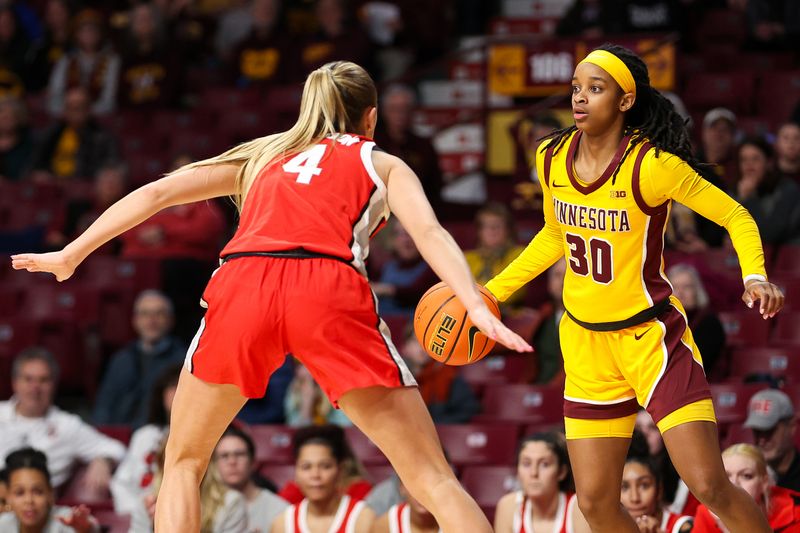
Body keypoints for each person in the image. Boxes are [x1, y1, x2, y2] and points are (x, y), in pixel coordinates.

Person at [11, 60, 530, 533]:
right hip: (326, 285)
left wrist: (73, 253)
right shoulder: (380, 162)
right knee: (432, 479)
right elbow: (432, 234)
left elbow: (157, 193)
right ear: (370, 118)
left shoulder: (263, 154)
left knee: (185, 462)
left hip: (245, 283)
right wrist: (474, 301)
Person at [484, 44, 784, 533]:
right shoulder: (551, 156)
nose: (580, 98)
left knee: (709, 485)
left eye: (595, 89)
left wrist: (754, 274)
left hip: (651, 341)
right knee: (595, 505)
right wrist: (493, 292)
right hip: (585, 346)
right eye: (577, 87)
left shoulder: (652, 165)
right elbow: (555, 233)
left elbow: (735, 214)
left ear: (625, 101)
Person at [0, 348, 126, 494]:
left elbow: (117, 449)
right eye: (28, 379)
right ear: (15, 383)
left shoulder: (67, 425)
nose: (35, 387)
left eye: (43, 380)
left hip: (43, 508)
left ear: (54, 385)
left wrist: (103, 461)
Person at [92, 290, 187, 427]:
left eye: (159, 314)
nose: (151, 320)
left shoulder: (184, 361)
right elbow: (103, 407)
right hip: (119, 439)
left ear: (170, 320)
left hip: (161, 437)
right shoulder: (121, 360)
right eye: (145, 314)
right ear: (135, 321)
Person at [270, 425, 375, 533]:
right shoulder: (282, 524)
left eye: (325, 466)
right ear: (296, 472)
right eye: (306, 467)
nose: (315, 475)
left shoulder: (363, 518)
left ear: (340, 470)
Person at [110, 364, 180, 518]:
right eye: (173, 386)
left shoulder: (211, 435)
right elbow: (120, 484)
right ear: (161, 395)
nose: (180, 392)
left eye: (185, 386)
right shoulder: (145, 436)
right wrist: (142, 514)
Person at [693, 444, 800, 532]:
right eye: (726, 476)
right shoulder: (706, 513)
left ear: (764, 482)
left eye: (746, 476)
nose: (734, 483)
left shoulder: (795, 514)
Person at [494, 431, 586, 533]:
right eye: (526, 464)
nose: (534, 473)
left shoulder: (577, 508)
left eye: (544, 464)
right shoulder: (509, 506)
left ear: (561, 472)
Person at [373, 84, 443, 213]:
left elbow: (435, 186)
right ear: (384, 111)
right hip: (380, 215)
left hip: (418, 212)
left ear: (413, 111)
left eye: (405, 109)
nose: (400, 114)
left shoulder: (424, 146)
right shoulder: (372, 144)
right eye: (394, 109)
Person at [29, 86, 121, 182]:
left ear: (89, 109)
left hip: (85, 189)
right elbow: (34, 165)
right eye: (71, 107)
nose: (75, 111)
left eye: (80, 107)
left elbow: (109, 169)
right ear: (64, 110)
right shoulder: (51, 133)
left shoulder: (102, 138)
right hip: (53, 185)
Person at [0, 447, 100, 533]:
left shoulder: (67, 519)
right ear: (8, 496)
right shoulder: (4, 524)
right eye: (19, 493)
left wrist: (84, 530)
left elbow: (92, 527)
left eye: (38, 492)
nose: (29, 500)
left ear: (50, 494)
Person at [214, 425, 289, 533]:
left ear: (253, 462)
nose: (232, 462)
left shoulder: (280, 510)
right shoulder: (204, 507)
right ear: (214, 464)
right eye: (224, 456)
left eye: (239, 454)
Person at [46, 8, 119, 117]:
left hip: (99, 119)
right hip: (67, 117)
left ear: (100, 34)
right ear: (76, 34)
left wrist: (85, 114)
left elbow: (109, 100)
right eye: (83, 30)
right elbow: (55, 96)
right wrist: (69, 113)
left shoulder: (112, 61)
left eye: (93, 30)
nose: (88, 34)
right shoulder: (66, 60)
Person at [398, 331, 480, 424]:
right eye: (415, 341)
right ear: (405, 348)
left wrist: (434, 426)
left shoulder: (448, 376)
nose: (421, 347)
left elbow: (468, 410)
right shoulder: (397, 378)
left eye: (426, 342)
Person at [734, 136, 800, 246]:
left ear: (768, 163)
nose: (749, 165)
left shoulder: (787, 189)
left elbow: (770, 235)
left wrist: (749, 198)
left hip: (787, 257)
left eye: (755, 159)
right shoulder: (735, 190)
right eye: (744, 160)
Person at [666, 264, 725, 378]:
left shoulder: (709, 322)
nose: (680, 293)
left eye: (687, 287)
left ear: (697, 291)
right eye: (675, 287)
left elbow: (701, 361)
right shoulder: (662, 321)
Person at [464, 203, 527, 308]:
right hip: (469, 311)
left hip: (508, 314)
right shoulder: (467, 258)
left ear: (508, 230)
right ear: (479, 231)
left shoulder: (519, 254)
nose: (492, 230)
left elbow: (513, 293)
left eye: (497, 225)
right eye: (487, 225)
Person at [371, 222, 438, 317]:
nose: (406, 239)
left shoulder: (433, 267)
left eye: (410, 233)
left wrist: (387, 290)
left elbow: (418, 293)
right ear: (393, 241)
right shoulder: (387, 267)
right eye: (400, 234)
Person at [621, 448, 692, 533]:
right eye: (624, 487)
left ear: (659, 490)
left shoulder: (683, 527)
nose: (635, 498)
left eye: (644, 485)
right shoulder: (609, 526)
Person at [744, 389, 800, 493]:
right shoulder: (746, 475)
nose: (762, 440)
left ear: (792, 426)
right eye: (757, 431)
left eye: (769, 431)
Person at [284, 361, 352, 427]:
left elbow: (344, 425)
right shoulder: (295, 388)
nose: (310, 388)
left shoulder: (336, 389)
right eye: (304, 381)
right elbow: (293, 427)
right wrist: (307, 405)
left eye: (315, 383)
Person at [371, 481, 441, 533]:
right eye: (413, 485)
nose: (420, 493)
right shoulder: (386, 524)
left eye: (428, 483)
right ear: (402, 487)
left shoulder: (450, 516)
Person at [0, 93, 33, 181]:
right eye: (2, 112)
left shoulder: (30, 145)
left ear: (20, 117)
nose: (5, 117)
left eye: (12, 113)